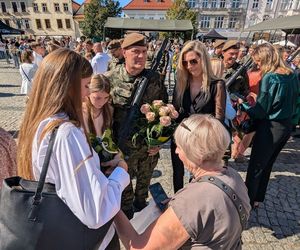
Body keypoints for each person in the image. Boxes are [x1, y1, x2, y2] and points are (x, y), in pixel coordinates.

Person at [17, 48, 130, 249]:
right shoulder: (67, 132)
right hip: (88, 239)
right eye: (86, 85)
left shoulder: (38, 122)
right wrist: (121, 171)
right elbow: (96, 211)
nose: (88, 93)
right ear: (68, 86)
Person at [114, 114, 251, 249]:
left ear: (196, 153)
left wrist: (112, 207)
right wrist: (178, 209)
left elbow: (139, 248)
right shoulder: (233, 176)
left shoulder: (191, 202)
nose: (177, 152)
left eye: (179, 146)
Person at [105, 33, 168, 219]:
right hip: (121, 150)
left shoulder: (155, 78)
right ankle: (127, 225)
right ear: (124, 52)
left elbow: (164, 111)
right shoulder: (110, 79)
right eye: (135, 52)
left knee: (143, 190)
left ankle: (142, 214)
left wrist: (159, 141)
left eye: (143, 51)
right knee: (123, 192)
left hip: (147, 149)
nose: (141, 56)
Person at [239, 43, 299, 208]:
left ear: (266, 59)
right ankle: (258, 198)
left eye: (258, 62)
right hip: (285, 127)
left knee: (256, 165)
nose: (257, 65)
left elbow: (261, 111)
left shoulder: (270, 77)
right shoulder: (292, 75)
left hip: (270, 128)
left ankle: (247, 203)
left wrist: (242, 105)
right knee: (268, 164)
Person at [171, 40, 226, 193]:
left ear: (204, 60)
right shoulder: (181, 82)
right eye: (185, 62)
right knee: (177, 173)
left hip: (202, 141)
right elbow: (176, 111)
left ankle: (194, 203)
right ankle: (178, 200)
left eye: (193, 61)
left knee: (197, 177)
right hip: (180, 136)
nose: (189, 66)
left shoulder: (217, 85)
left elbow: (218, 120)